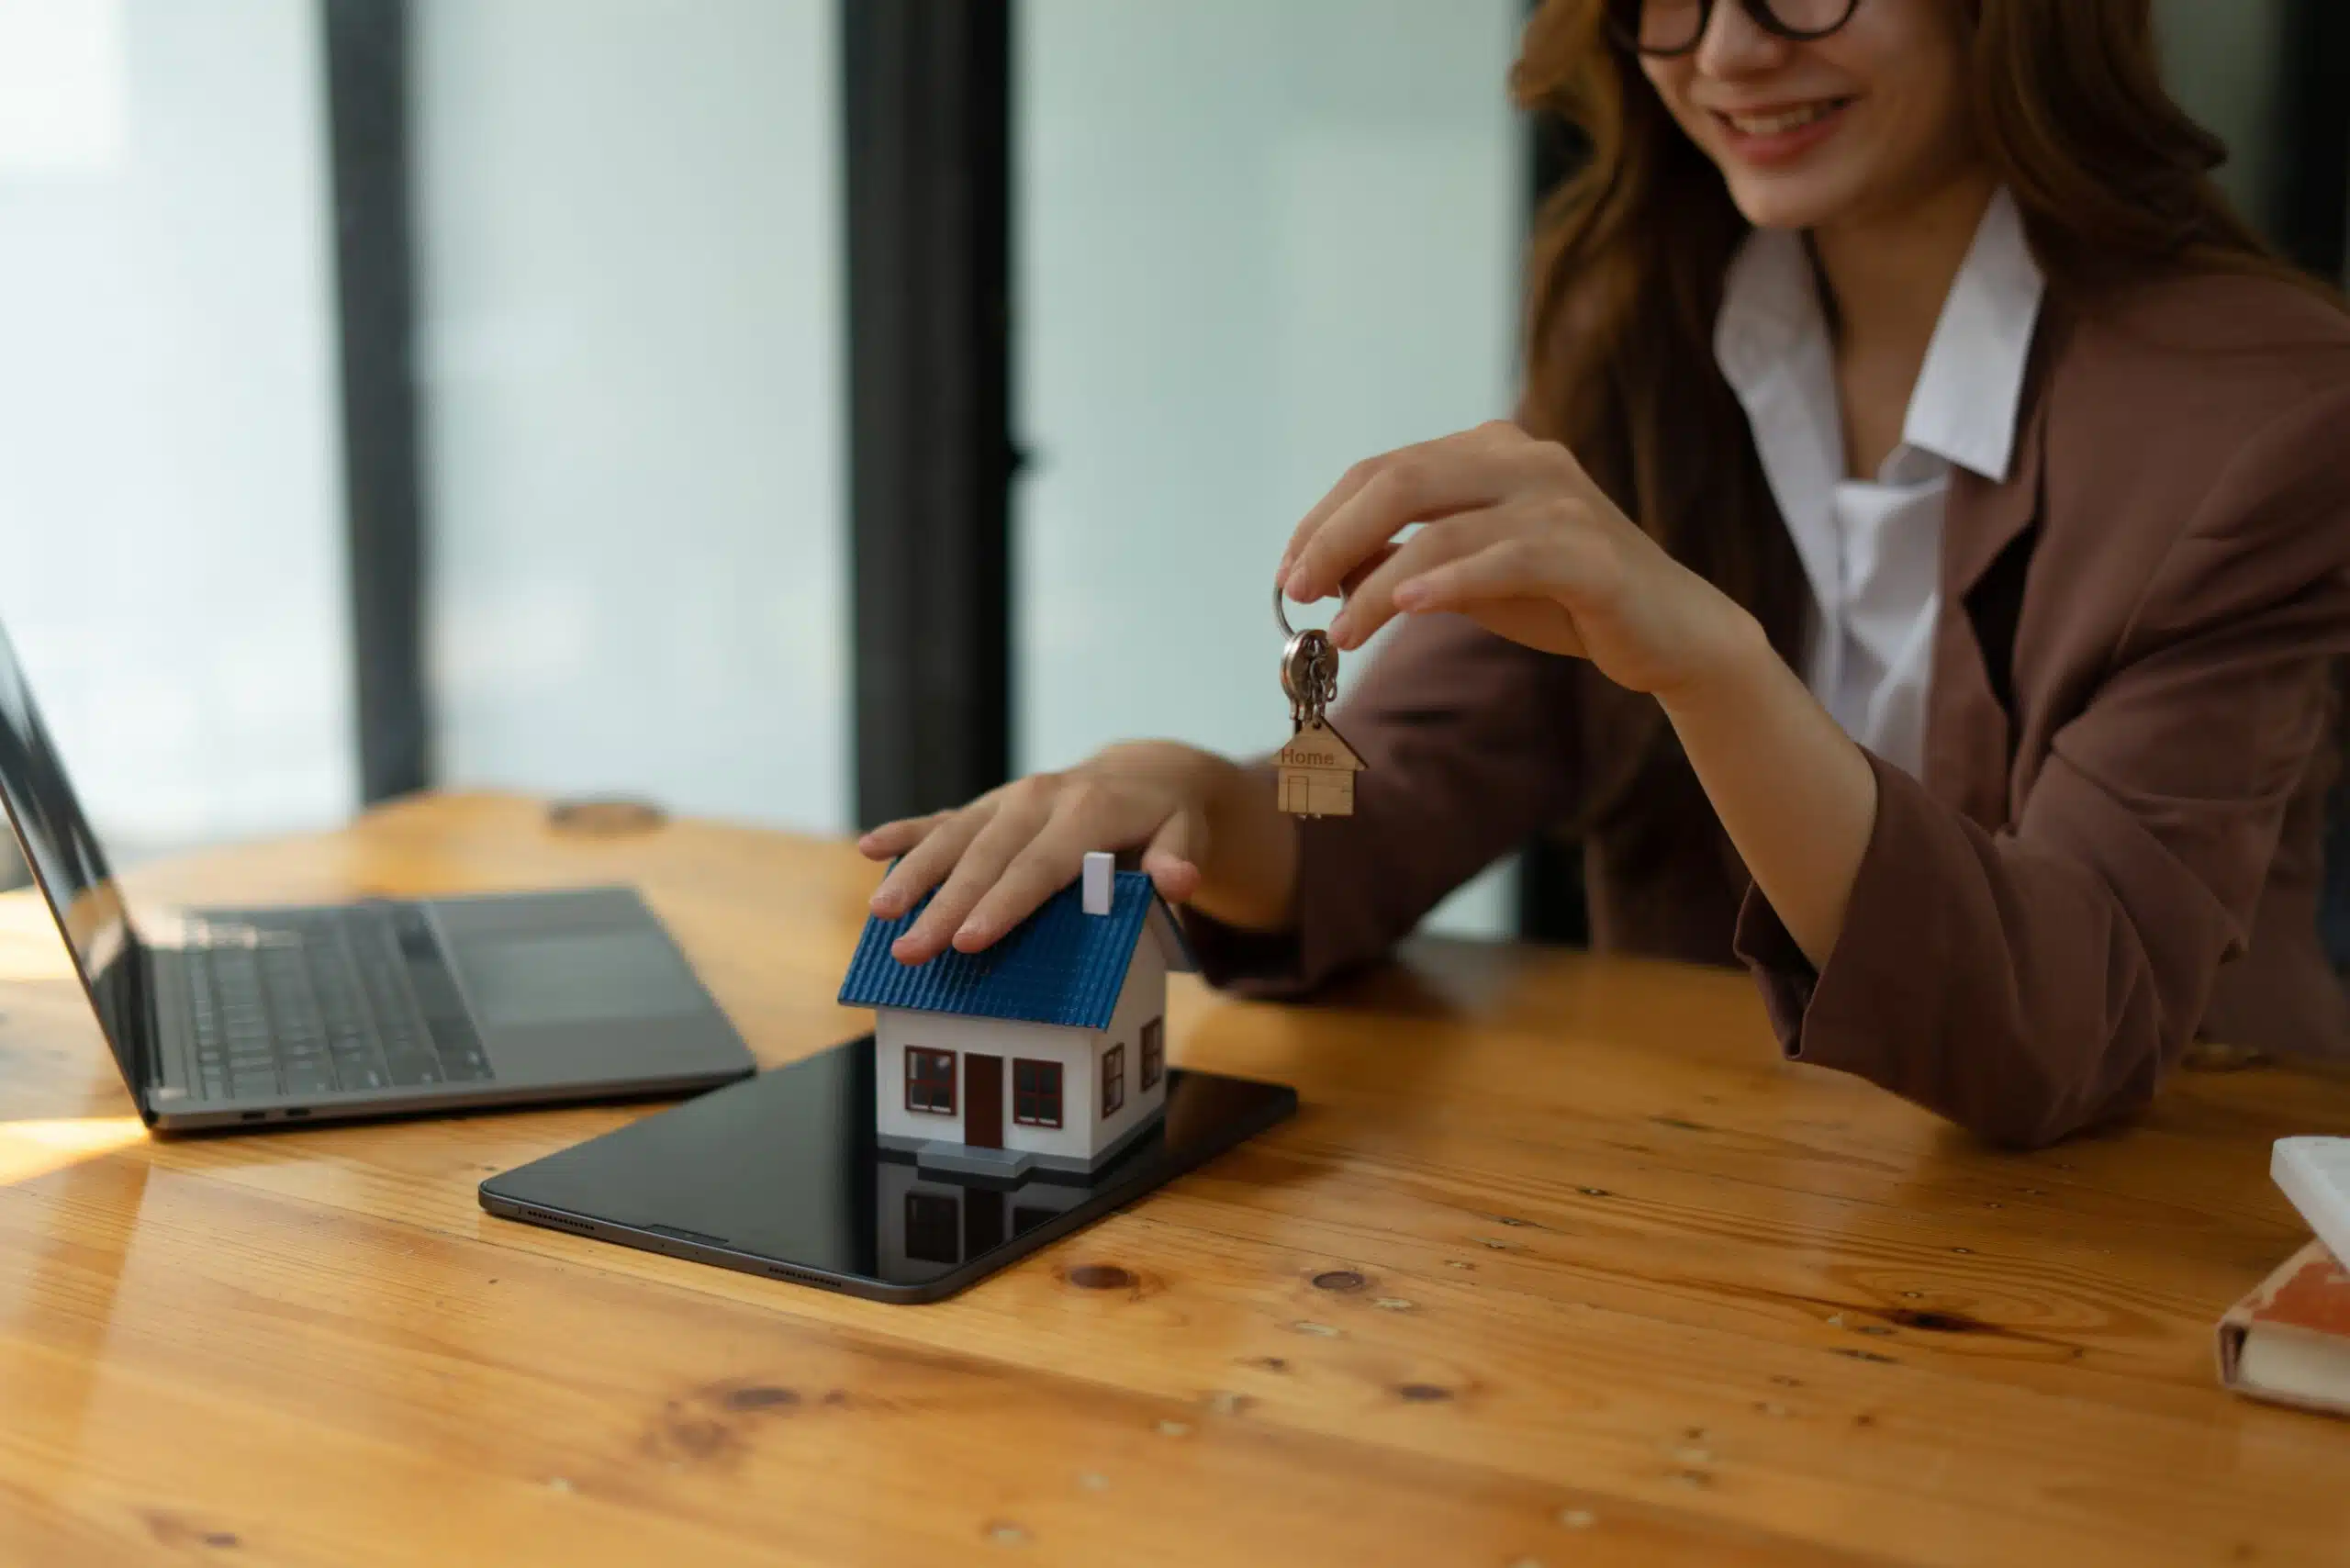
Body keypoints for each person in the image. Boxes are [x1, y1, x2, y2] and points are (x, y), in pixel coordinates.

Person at [857, 0, 2350, 1148]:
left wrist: (1712, 668)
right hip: (1741, 1214)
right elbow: (1401, 792)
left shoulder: (2262, 414)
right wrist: (1193, 793)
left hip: (2169, 1225)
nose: (1729, 52)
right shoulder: (1650, 325)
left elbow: (2066, 1026)